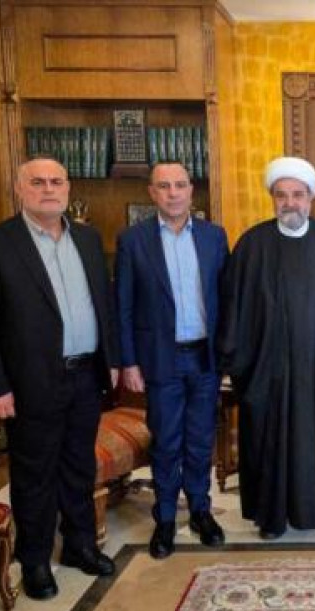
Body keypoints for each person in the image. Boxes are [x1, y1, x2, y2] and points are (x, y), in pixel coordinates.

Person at [0, 157, 119, 600]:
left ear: (67, 188)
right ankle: (33, 560)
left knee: (79, 466)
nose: (48, 189)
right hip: (30, 381)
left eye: (56, 181)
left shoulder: (87, 238)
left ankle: (80, 546)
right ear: (20, 189)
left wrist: (110, 359)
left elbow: (102, 305)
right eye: (38, 182)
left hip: (85, 375)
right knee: (35, 473)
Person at [218, 156, 315, 540]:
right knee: (271, 439)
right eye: (281, 195)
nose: (290, 203)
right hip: (269, 369)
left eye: (298, 195)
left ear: (310, 198)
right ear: (273, 199)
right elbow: (233, 307)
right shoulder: (252, 245)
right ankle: (272, 514)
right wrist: (233, 360)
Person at [115, 161, 228, 559]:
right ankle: (164, 518)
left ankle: (200, 511)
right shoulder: (133, 241)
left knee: (200, 439)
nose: (173, 193)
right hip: (160, 359)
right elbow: (123, 306)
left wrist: (227, 353)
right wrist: (129, 362)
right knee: (166, 441)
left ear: (191, 190)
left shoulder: (214, 237)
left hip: (205, 357)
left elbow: (226, 298)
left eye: (180, 185)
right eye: (164, 186)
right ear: (152, 193)